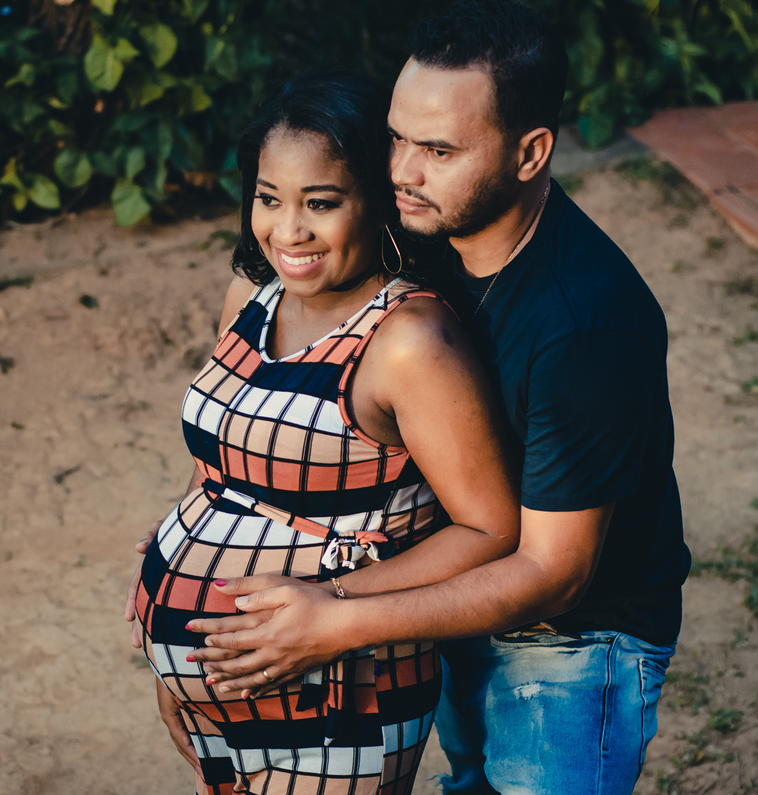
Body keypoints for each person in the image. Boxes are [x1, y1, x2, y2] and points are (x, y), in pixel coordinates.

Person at [165, 3, 691, 794]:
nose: (402, 170)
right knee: (469, 780)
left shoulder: (585, 325)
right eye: (396, 138)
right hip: (439, 598)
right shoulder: (417, 229)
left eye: (438, 149)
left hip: (571, 644)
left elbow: (555, 572)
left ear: (530, 152)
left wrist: (336, 616)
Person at [129, 70, 521, 795]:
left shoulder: (409, 340)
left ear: (380, 202)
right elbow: (219, 461)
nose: (289, 230)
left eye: (322, 202)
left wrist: (336, 603)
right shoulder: (255, 291)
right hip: (228, 683)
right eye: (269, 199)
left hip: (341, 695)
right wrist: (177, 665)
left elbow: (490, 529)